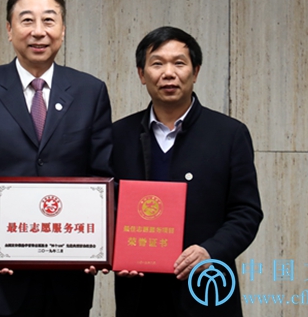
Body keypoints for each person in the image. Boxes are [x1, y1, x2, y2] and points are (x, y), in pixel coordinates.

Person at [0, 0, 113, 317]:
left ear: (63, 29)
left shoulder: (90, 91)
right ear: (9, 30)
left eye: (49, 20)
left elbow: (102, 175)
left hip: (69, 278)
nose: (38, 31)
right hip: (0, 278)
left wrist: (98, 241)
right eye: (26, 20)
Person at [113, 26, 263, 316]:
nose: (169, 73)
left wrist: (211, 251)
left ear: (195, 72)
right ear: (142, 74)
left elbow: (246, 212)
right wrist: (116, 253)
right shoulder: (118, 135)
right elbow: (108, 208)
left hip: (206, 289)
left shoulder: (229, 134)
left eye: (179, 63)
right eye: (157, 63)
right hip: (139, 293)